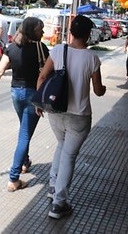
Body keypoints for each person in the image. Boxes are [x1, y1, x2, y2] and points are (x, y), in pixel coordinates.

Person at [36, 15, 107, 219]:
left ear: (71, 32)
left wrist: (39, 103)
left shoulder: (58, 51)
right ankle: (59, 203)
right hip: (79, 115)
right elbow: (98, 90)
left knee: (61, 145)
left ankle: (52, 186)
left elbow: (42, 77)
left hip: (56, 111)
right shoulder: (92, 58)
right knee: (69, 155)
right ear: (87, 35)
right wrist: (104, 88)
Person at [0, 17, 49, 191]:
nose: (43, 32)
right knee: (25, 135)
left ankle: (25, 162)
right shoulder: (41, 48)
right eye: (40, 29)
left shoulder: (11, 48)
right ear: (32, 30)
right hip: (33, 95)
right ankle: (14, 179)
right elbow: (48, 74)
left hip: (16, 94)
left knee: (24, 129)